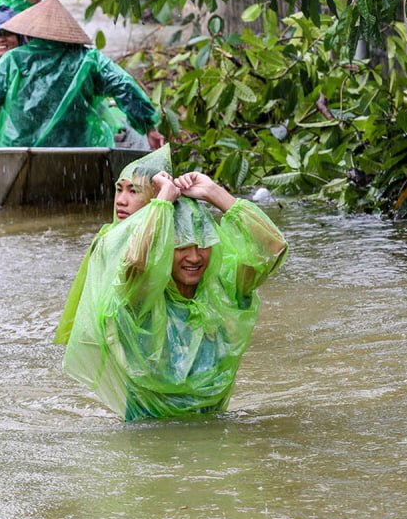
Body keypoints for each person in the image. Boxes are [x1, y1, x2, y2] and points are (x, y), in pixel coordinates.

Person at [62, 170, 288, 420]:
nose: (194, 257)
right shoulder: (141, 300)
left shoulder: (224, 291)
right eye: (181, 246)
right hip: (146, 440)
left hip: (213, 433)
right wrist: (162, 202)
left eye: (202, 245)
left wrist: (213, 192)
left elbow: (273, 248)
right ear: (163, 249)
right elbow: (135, 261)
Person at [0, 0, 164, 149]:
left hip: (19, 146)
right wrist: (149, 128)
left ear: (27, 34)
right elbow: (124, 85)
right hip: (80, 146)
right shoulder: (89, 58)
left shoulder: (13, 59)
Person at [53, 145, 171, 344]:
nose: (121, 201)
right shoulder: (107, 237)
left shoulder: (169, 241)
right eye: (119, 189)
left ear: (156, 196)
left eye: (134, 191)